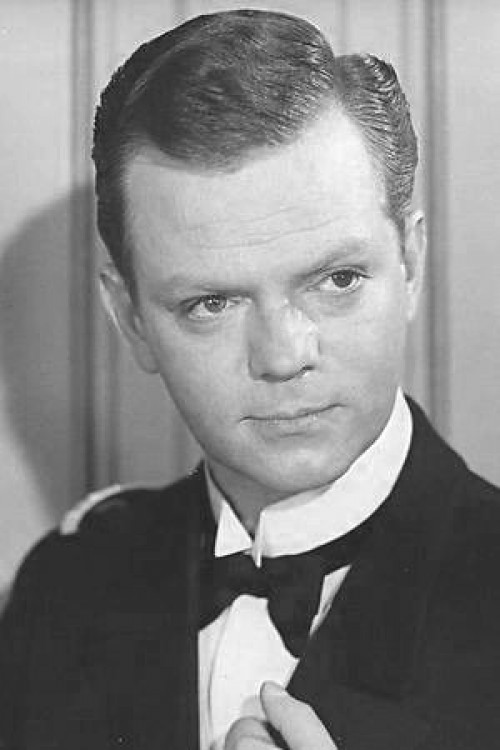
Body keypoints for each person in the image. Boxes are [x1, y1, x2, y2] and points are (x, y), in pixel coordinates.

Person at [1, 8, 500, 750]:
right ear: (130, 319)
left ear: (412, 266)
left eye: (337, 279)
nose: (283, 355)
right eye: (212, 303)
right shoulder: (66, 587)